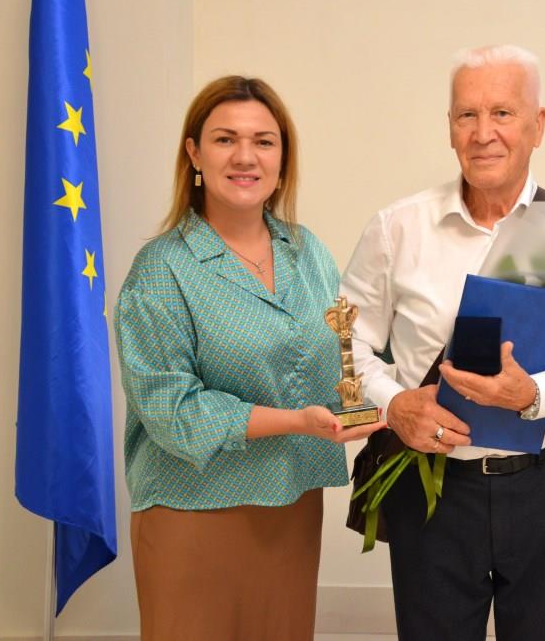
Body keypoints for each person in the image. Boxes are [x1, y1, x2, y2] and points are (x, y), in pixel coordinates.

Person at [341, 45, 545, 641]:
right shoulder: (397, 228)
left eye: (503, 113)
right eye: (467, 115)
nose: (483, 133)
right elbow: (344, 344)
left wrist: (538, 394)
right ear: (450, 127)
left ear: (539, 125)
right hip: (431, 489)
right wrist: (393, 404)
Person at [114, 76, 385, 641]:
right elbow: (172, 410)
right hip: (194, 510)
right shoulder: (161, 270)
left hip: (292, 506)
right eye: (225, 139)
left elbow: (341, 356)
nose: (245, 156)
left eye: (263, 141)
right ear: (194, 154)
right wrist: (296, 421)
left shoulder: (307, 251)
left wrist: (375, 404)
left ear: (282, 160)